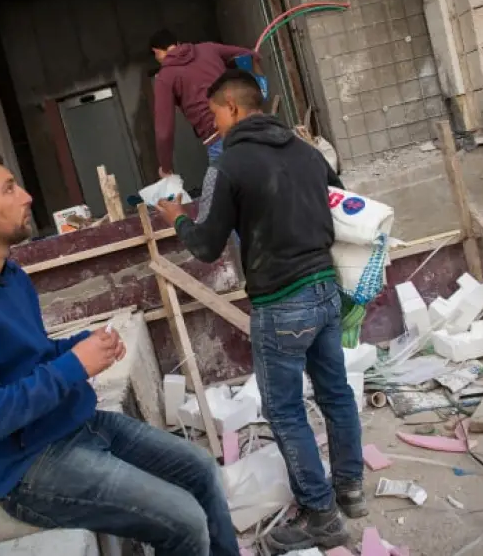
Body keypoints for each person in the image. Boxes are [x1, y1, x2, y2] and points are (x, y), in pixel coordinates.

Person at [0, 153, 242, 556]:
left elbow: (33, 358)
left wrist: (79, 348)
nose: (28, 196)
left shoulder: (8, 275)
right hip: (24, 466)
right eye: (10, 188)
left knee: (201, 470)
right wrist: (74, 365)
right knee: (182, 519)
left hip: (71, 423)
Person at [155, 70, 363, 553]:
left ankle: (322, 518)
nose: (214, 127)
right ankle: (349, 489)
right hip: (326, 292)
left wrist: (177, 218)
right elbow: (342, 204)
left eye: (215, 116)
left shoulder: (229, 165)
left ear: (230, 108)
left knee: (285, 410)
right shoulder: (309, 153)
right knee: (336, 394)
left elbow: (206, 246)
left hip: (281, 302)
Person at [149, 29, 261, 179]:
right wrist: (258, 90)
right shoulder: (208, 48)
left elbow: (164, 131)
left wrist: (166, 167)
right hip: (248, 126)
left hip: (218, 138)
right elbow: (248, 55)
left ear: (157, 51)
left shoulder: (165, 77)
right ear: (177, 43)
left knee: (227, 198)